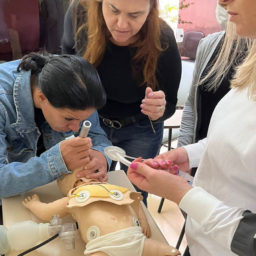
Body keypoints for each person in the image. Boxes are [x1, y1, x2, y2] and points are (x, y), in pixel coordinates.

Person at [127, 0, 256, 255]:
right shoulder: (250, 72)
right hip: (202, 242)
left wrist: (183, 194)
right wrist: (190, 154)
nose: (221, 1)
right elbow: (239, 139)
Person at [61, 0, 181, 204]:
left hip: (140, 129)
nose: (121, 25)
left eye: (135, 15)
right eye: (113, 10)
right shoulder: (79, 14)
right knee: (88, 189)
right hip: (92, 124)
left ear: (151, 9)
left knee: (134, 195)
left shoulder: (163, 38)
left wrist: (159, 109)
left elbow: (170, 105)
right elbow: (64, 64)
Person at [0, 52, 112, 203]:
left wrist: (101, 155)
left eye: (82, 120)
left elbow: (97, 136)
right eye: (69, 118)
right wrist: (57, 162)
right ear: (42, 97)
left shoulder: (80, 88)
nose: (75, 128)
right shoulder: (3, 102)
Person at [21, 177, 180, 256]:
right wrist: (34, 204)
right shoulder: (75, 199)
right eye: (81, 178)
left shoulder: (116, 192)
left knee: (171, 252)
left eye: (95, 175)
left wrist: (143, 221)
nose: (90, 178)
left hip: (136, 239)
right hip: (103, 247)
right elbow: (48, 212)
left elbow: (135, 202)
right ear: (76, 185)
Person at [177, 3, 248, 177]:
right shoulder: (209, 44)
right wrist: (185, 151)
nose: (223, 3)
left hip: (238, 174)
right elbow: (192, 105)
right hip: (201, 163)